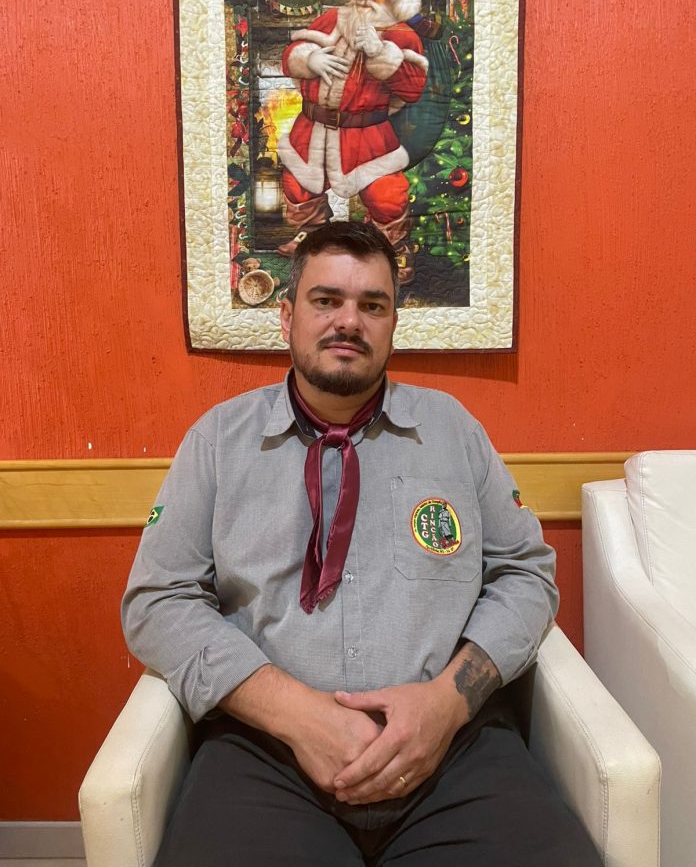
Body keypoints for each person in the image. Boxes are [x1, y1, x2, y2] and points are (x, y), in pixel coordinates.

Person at [122, 221, 602, 867]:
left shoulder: (453, 432)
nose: (349, 321)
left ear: (393, 324)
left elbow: (526, 574)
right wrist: (297, 715)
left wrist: (447, 703)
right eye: (326, 300)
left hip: (451, 755)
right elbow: (157, 600)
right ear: (287, 316)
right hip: (268, 758)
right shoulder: (217, 442)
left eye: (373, 305)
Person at [276, 0, 428, 284]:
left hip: (367, 134)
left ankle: (393, 247)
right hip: (312, 127)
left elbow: (413, 88)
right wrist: (309, 58)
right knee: (298, 184)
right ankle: (310, 233)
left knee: (386, 194)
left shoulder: (402, 35)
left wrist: (381, 54)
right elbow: (292, 52)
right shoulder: (334, 19)